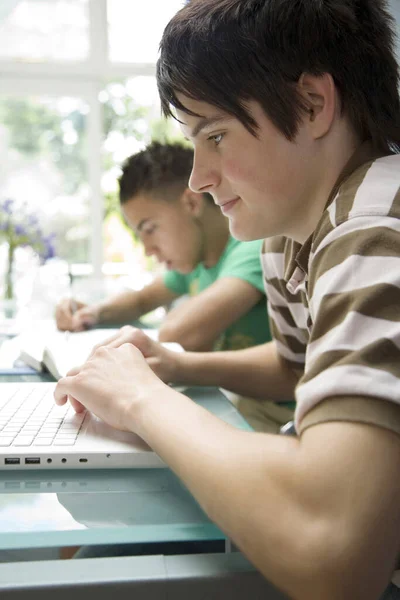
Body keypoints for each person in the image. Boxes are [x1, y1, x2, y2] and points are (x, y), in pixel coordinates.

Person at [54, 1, 400, 598]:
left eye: (215, 135)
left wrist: (140, 399)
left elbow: (333, 549)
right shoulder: (291, 230)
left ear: (314, 104)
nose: (199, 178)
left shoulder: (374, 227)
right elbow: (297, 365)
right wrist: (179, 366)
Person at [55, 141, 271, 354]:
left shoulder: (254, 247)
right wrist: (92, 313)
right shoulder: (196, 260)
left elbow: (178, 333)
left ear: (192, 204)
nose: (148, 249)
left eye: (150, 229)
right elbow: (141, 301)